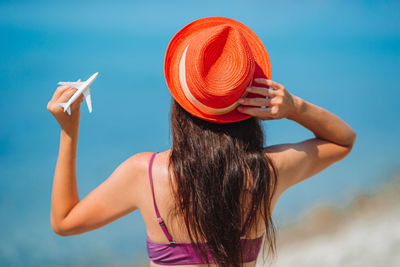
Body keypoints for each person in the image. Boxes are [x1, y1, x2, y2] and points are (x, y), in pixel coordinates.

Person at [47, 17, 356, 267]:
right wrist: (294, 108)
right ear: (247, 103)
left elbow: (64, 221)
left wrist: (69, 131)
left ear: (181, 101)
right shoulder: (269, 171)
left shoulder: (145, 174)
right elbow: (343, 141)